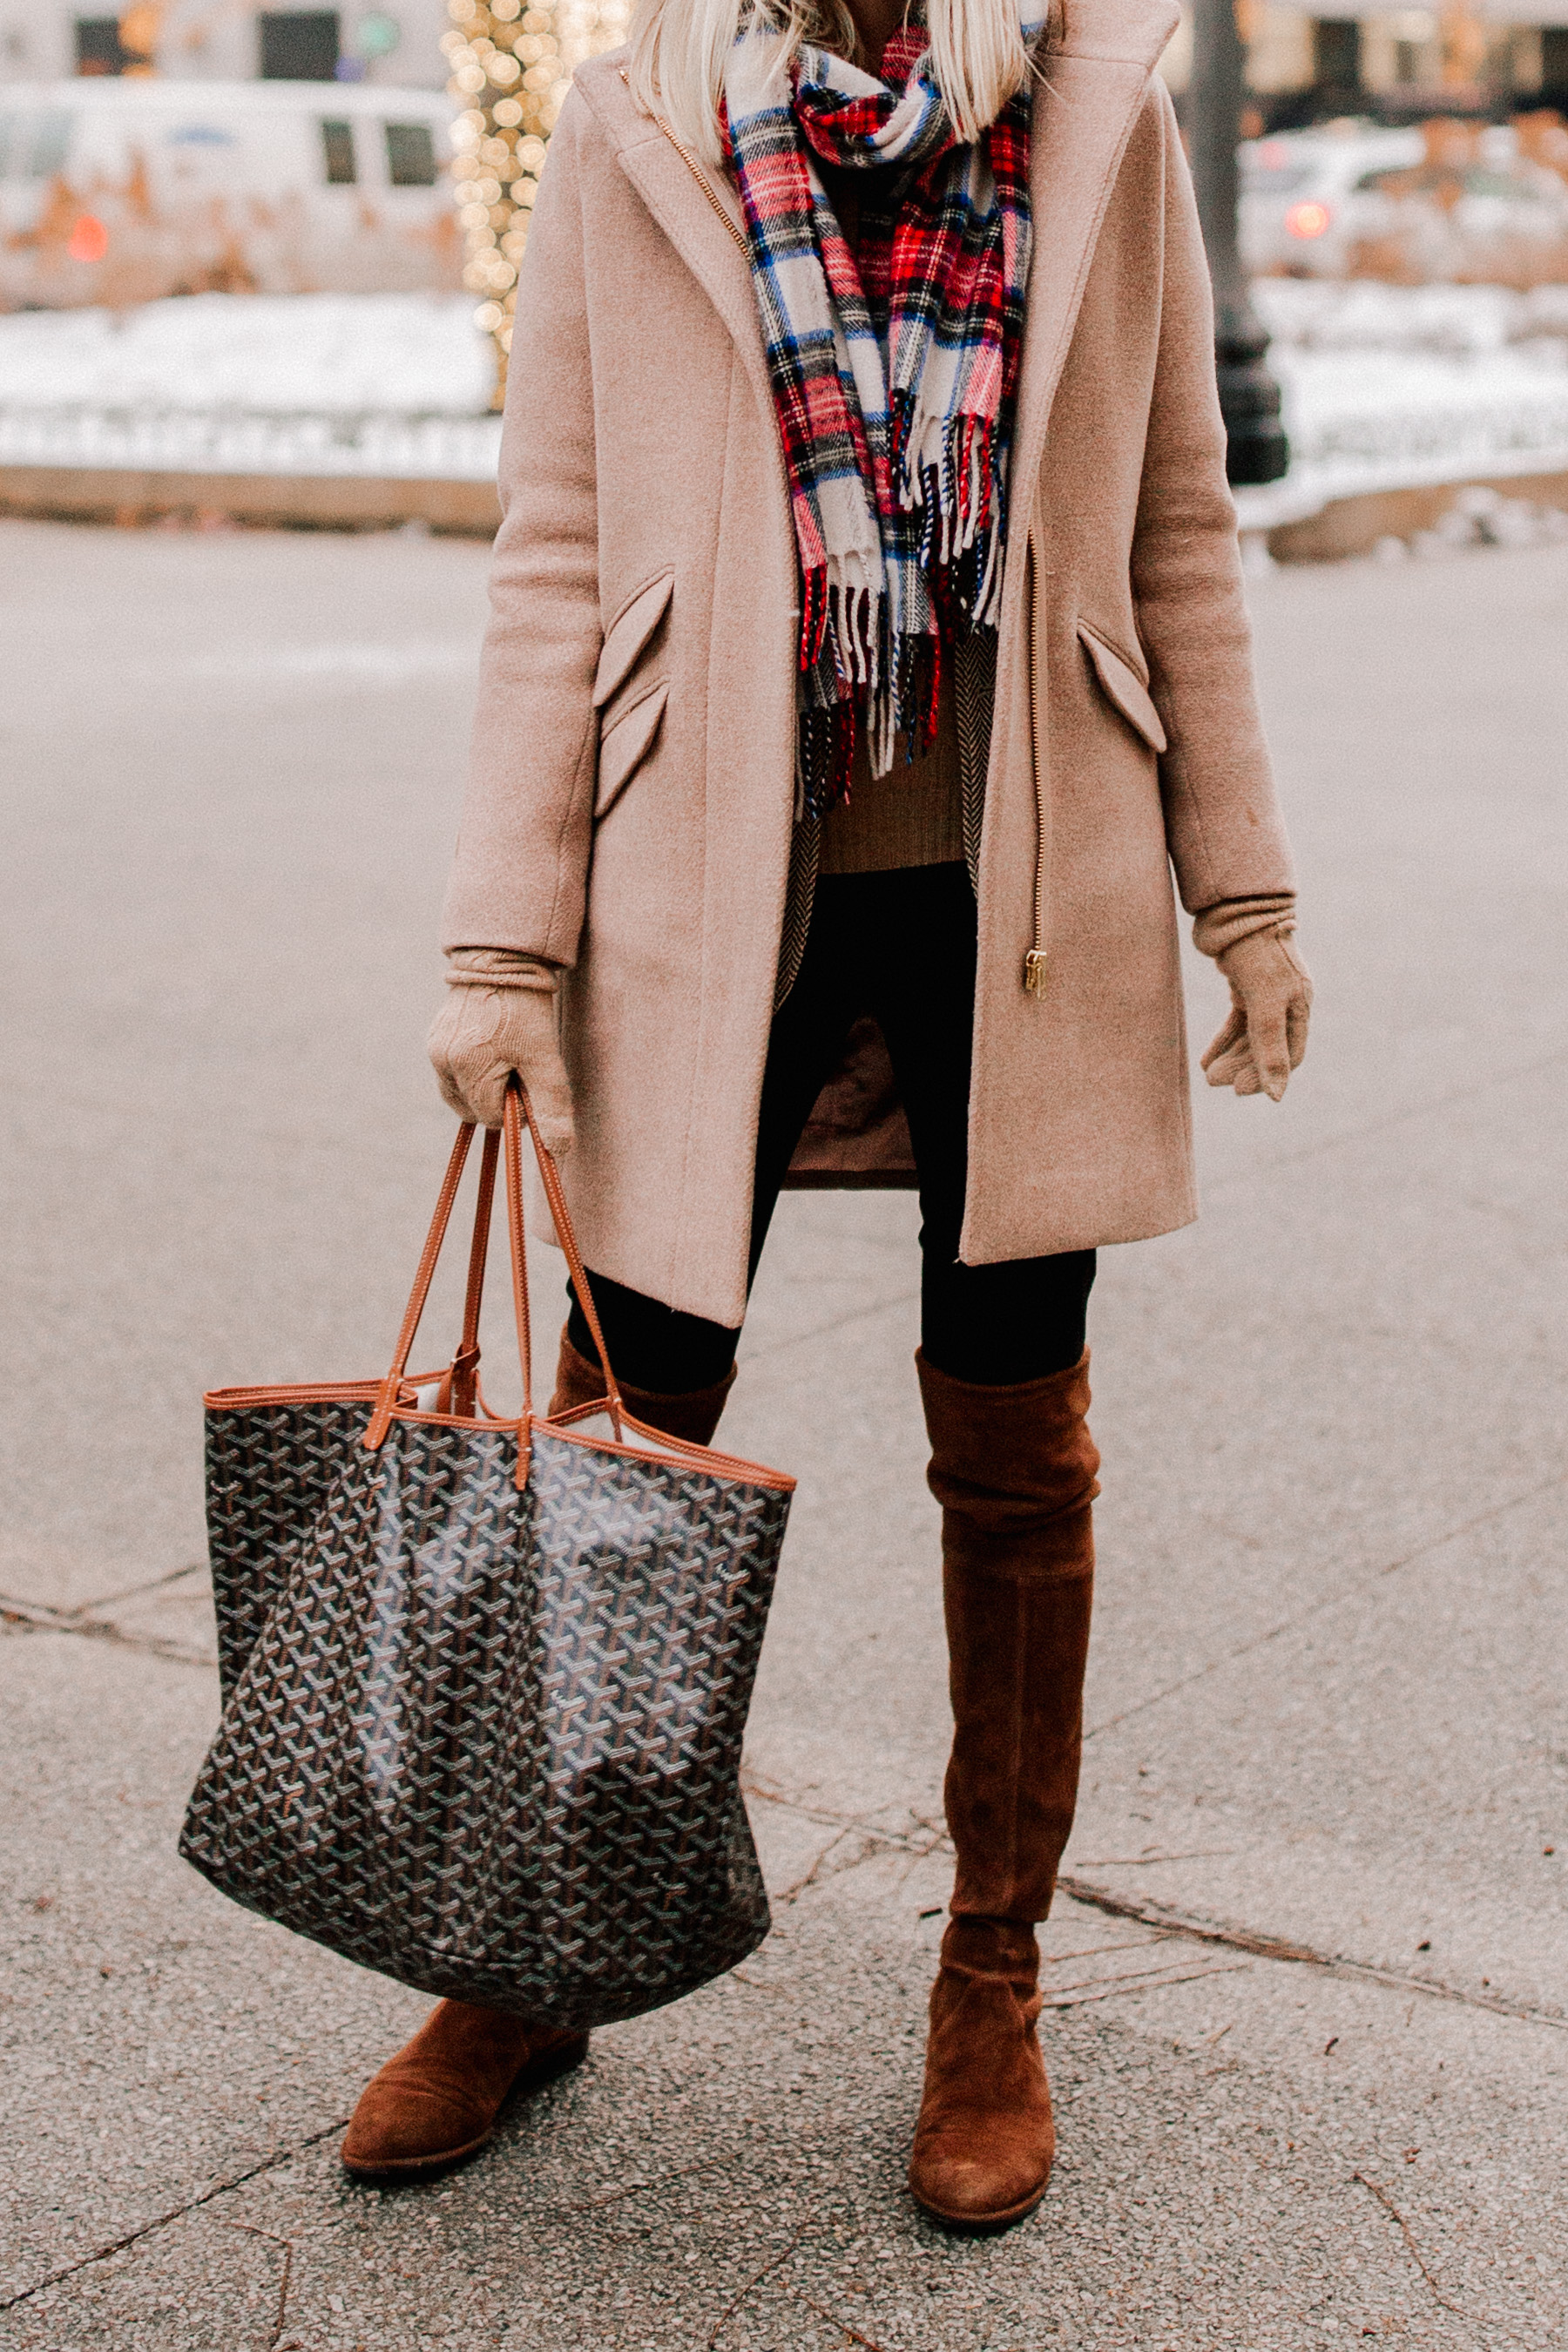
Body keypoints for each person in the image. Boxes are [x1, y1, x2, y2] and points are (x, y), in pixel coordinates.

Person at [340, 0, 1312, 2230]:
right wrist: (501, 948)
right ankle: (530, 1955)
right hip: (707, 885)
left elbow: (1180, 533)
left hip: (1021, 891)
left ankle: (994, 1976)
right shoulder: (638, 122)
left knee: (1013, 1439)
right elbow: (554, 559)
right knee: (623, 1428)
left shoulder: (1098, 120)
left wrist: (1243, 895)